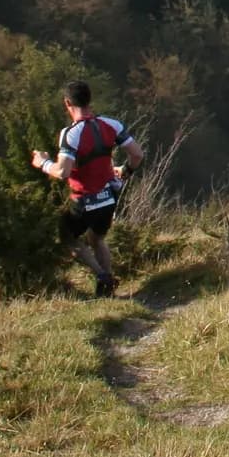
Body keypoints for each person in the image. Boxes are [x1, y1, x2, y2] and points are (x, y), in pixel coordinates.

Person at [30, 79, 144, 296]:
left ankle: (103, 276)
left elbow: (62, 171)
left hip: (83, 200)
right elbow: (137, 154)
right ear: (90, 100)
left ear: (67, 103)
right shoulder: (112, 124)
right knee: (97, 238)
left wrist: (42, 163)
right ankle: (107, 287)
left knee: (68, 238)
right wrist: (126, 171)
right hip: (108, 197)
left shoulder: (70, 134)